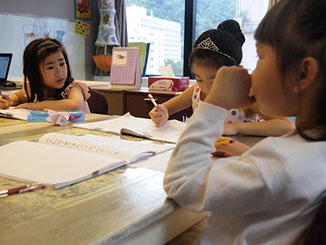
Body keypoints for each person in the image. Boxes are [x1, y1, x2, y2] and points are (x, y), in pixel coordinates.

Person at [164, 0, 326, 244]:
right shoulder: (311, 150)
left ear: (303, 75)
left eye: (260, 57)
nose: (250, 72)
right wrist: (250, 157)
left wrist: (215, 104)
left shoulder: (277, 164)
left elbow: (180, 183)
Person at [149, 20, 295, 136]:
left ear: (234, 71)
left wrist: (235, 128)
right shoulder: (196, 91)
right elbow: (164, 109)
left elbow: (286, 125)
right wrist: (161, 113)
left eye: (214, 81)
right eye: (199, 79)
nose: (205, 87)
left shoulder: (244, 96)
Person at [0, 38, 90, 112]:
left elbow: (75, 105)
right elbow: (18, 97)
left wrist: (35, 105)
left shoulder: (72, 87)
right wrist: (6, 101)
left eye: (62, 64)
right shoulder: (33, 88)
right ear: (35, 72)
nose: (60, 72)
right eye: (51, 67)